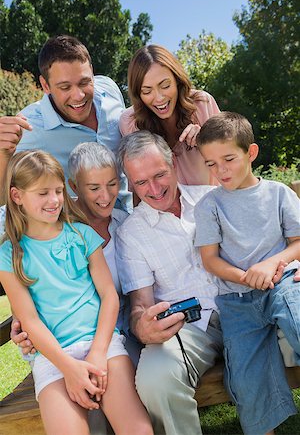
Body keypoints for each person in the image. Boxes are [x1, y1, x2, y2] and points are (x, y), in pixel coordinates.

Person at [0, 150, 153, 435]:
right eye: (43, 193)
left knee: (138, 431)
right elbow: (29, 321)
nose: (55, 200)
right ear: (17, 196)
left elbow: (109, 296)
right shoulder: (10, 255)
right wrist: (69, 369)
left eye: (58, 191)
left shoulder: (82, 235)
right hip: (53, 357)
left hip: (103, 346)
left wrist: (96, 354)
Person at [194, 111, 300, 435]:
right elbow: (210, 260)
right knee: (245, 377)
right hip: (237, 301)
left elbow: (298, 243)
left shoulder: (279, 194)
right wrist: (246, 276)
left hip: (282, 283)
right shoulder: (209, 206)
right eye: (210, 164)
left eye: (228, 159)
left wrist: (270, 266)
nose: (220, 170)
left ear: (250, 153)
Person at [115, 130, 223, 435]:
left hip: (245, 308)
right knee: (154, 378)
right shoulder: (132, 233)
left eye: (159, 174)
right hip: (191, 328)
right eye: (140, 182)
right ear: (131, 184)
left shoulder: (211, 198)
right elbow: (140, 305)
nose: (154, 189)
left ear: (173, 164)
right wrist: (142, 327)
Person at [0, 34, 131, 212]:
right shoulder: (30, 127)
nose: (79, 96)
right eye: (65, 87)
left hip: (135, 215)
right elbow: (6, 200)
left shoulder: (109, 88)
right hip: (86, 233)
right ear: (45, 86)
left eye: (84, 82)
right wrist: (3, 155)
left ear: (92, 72)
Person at [119, 44, 220, 186]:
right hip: (164, 208)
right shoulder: (130, 122)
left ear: (177, 80)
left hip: (211, 203)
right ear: (138, 94)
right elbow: (138, 183)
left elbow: (230, 157)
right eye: (147, 91)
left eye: (165, 86)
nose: (159, 98)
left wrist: (206, 140)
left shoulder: (202, 104)